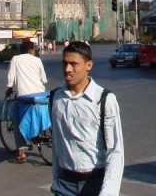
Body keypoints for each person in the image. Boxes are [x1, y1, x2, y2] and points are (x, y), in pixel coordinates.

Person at [51, 41, 124, 196]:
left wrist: (108, 193)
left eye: (73, 64)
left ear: (88, 65)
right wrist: (56, 179)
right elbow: (57, 144)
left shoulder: (104, 99)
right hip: (65, 182)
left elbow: (115, 151)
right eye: (64, 63)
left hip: (94, 183)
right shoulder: (55, 98)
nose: (67, 69)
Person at [5, 40, 48, 164]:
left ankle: (21, 153)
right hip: (40, 95)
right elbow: (44, 80)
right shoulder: (37, 60)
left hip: (24, 96)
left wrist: (9, 88)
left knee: (17, 120)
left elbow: (10, 78)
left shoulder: (15, 59)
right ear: (30, 50)